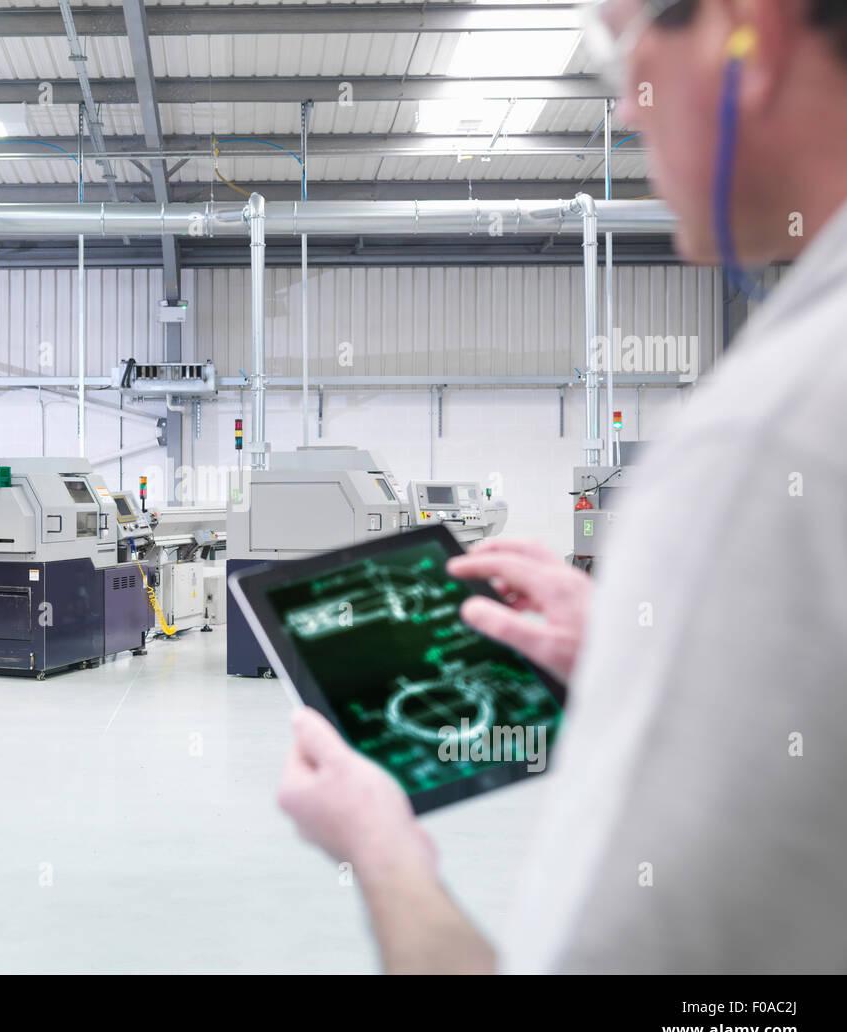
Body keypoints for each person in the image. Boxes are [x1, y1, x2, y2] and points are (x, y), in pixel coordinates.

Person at [277, 0, 847, 974]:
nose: (626, 108)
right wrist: (650, 656)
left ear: (746, 34)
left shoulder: (766, 436)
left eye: (620, 49)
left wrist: (382, 850)